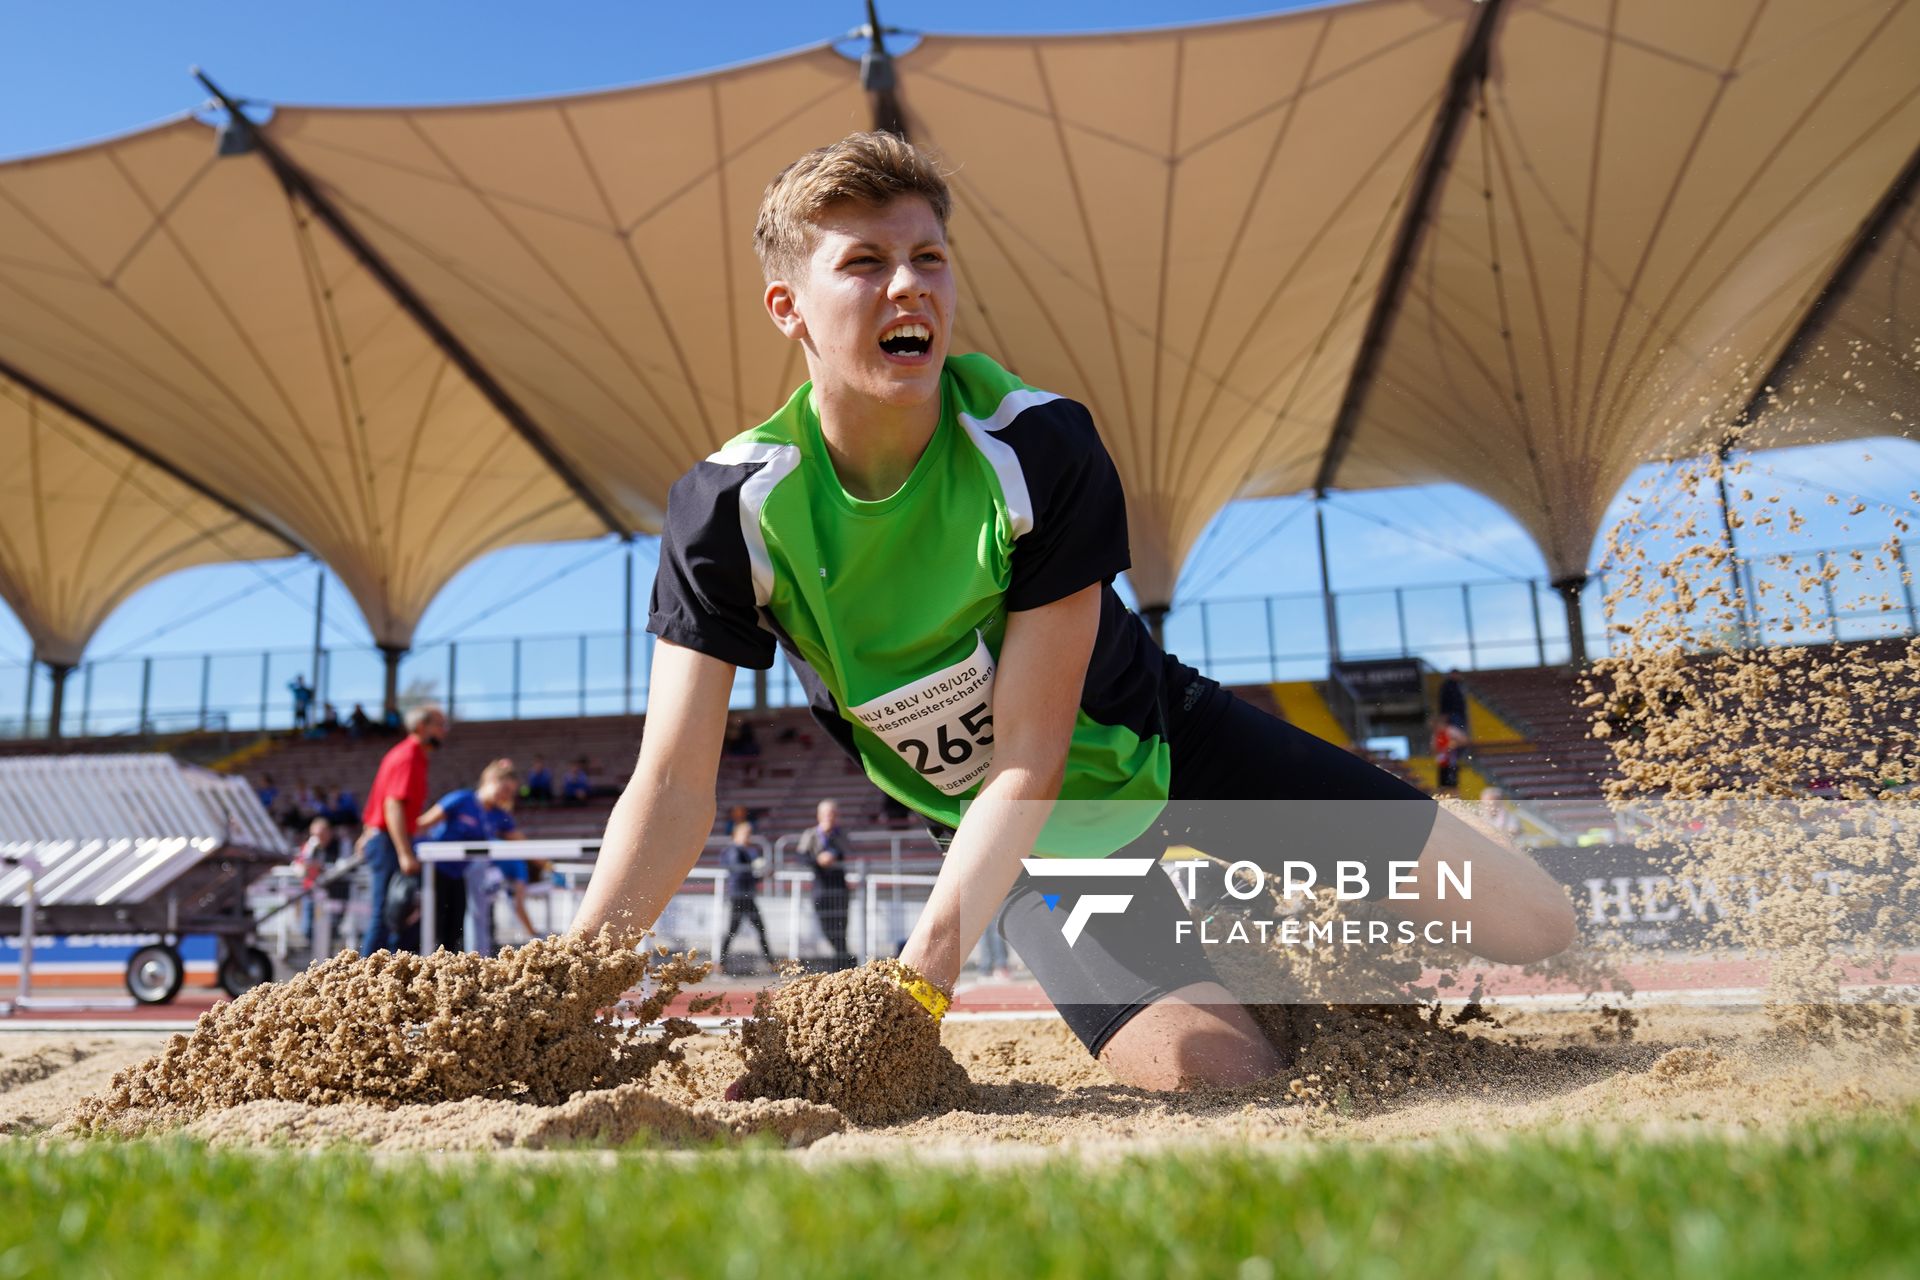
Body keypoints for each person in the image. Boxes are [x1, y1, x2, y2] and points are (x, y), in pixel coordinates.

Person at [571, 133, 1574, 1090]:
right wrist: (567, 988)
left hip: (1174, 751)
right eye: (865, 263)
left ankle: (1244, 902)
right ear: (788, 306)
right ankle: (1210, 956)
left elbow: (1031, 754)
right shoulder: (728, 508)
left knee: (1538, 922)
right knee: (1226, 1076)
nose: (909, 283)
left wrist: (917, 979)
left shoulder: (1038, 446)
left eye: (930, 256)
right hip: (1024, 845)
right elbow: (669, 787)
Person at [356, 703, 448, 954]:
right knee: (387, 913)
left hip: (386, 838)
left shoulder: (411, 756)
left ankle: (386, 970)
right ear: (421, 726)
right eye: (439, 725)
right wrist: (404, 852)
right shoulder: (409, 756)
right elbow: (393, 806)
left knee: (396, 913)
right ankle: (365, 977)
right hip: (388, 841)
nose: (444, 731)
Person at [414, 759, 520, 955]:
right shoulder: (461, 799)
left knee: (455, 928)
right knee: (432, 924)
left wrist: (547, 865)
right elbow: (422, 824)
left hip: (459, 875)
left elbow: (520, 841)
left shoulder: (497, 815)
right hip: (435, 872)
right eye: (503, 788)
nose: (505, 795)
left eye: (510, 792)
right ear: (490, 779)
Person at [795, 799, 854, 970]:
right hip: (820, 887)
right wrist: (818, 860)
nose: (830, 817)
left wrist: (832, 852)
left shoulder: (840, 834)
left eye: (833, 814)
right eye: (827, 814)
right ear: (819, 816)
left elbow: (846, 850)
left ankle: (841, 963)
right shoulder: (811, 834)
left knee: (841, 927)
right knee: (826, 925)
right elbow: (801, 857)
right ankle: (845, 959)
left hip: (839, 887)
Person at [719, 821, 777, 972]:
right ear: (737, 834)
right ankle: (721, 963)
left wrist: (763, 875)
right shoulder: (733, 851)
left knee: (759, 929)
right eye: (746, 833)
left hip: (748, 896)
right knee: (733, 930)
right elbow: (738, 871)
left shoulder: (749, 851)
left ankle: (770, 962)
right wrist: (755, 868)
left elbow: (749, 876)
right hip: (738, 896)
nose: (748, 837)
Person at [294, 815, 348, 950]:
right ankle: (318, 954)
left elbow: (343, 866)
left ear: (329, 832)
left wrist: (322, 867)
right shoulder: (310, 846)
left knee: (332, 930)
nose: (319, 837)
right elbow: (299, 865)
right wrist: (311, 851)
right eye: (316, 834)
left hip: (334, 893)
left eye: (322, 834)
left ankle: (325, 956)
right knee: (307, 928)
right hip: (312, 892)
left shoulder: (340, 845)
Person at [1438, 669, 1468, 734]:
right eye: (1455, 674)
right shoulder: (1447, 686)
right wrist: (1444, 713)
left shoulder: (1459, 684)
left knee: (1461, 731)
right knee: (1455, 731)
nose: (1457, 676)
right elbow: (1444, 700)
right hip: (1452, 713)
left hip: (1460, 713)